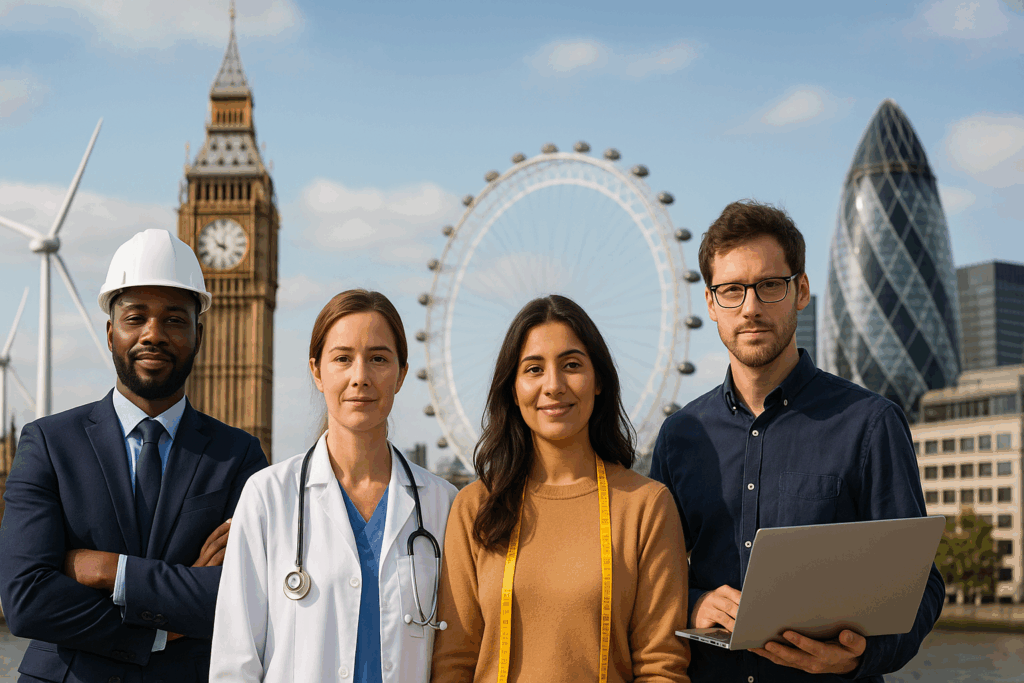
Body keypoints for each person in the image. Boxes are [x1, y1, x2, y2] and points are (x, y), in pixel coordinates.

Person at [649, 200, 945, 682]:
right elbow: (648, 578)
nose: (750, 308)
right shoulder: (679, 437)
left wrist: (860, 657)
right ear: (710, 304)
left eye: (769, 285)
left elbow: (921, 584)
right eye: (731, 290)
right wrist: (693, 603)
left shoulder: (871, 425)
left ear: (800, 290)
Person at [0, 229, 268, 682]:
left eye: (174, 320)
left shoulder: (238, 455)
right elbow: (26, 600)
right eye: (135, 317)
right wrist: (161, 630)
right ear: (111, 333)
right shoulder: (48, 443)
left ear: (199, 336)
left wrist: (111, 570)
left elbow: (245, 595)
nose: (153, 334)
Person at [431, 295, 691, 683]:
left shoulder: (645, 506)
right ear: (513, 388)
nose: (553, 386)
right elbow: (454, 661)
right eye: (534, 369)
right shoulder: (475, 506)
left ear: (598, 380)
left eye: (571, 365)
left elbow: (661, 665)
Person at [211, 289, 458, 682]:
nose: (360, 377)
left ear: (401, 374)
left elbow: (455, 655)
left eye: (379, 359)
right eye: (343, 359)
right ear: (317, 371)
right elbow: (234, 662)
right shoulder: (267, 497)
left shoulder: (443, 504)